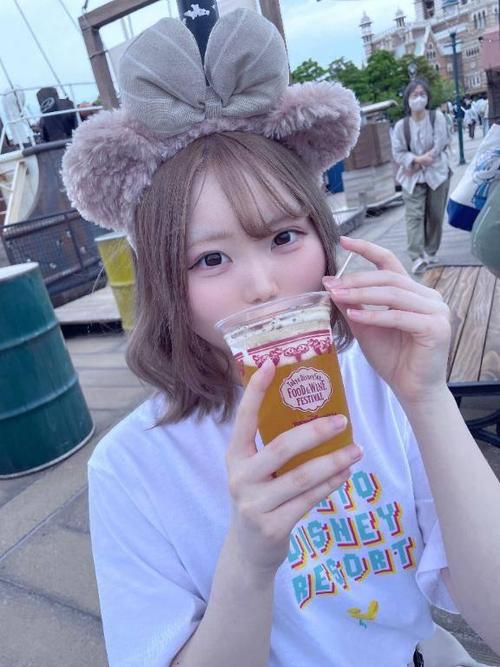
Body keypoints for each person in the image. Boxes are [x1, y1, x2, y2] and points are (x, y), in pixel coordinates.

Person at [62, 11, 500, 667]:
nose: (263, 286)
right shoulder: (131, 468)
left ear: (324, 238)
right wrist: (250, 554)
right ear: (164, 281)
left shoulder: (381, 389)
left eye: (284, 236)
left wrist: (428, 399)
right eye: (210, 259)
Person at [391, 80, 452, 274]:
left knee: (435, 215)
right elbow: (398, 152)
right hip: (412, 179)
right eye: (414, 95)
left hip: (437, 174)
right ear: (407, 99)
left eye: (422, 94)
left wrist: (423, 160)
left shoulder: (437, 117)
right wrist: (416, 159)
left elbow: (440, 142)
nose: (418, 98)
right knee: (414, 216)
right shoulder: (401, 126)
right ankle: (416, 256)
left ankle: (431, 251)